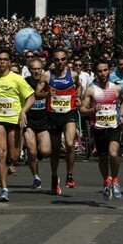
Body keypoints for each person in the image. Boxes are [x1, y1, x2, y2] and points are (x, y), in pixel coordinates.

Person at [0, 47, 35, 202]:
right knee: (0, 153)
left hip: (14, 120)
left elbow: (31, 98)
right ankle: (4, 189)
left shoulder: (17, 79)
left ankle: (13, 162)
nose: (2, 62)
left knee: (14, 156)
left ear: (9, 62)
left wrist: (23, 112)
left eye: (5, 59)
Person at [35, 48, 82, 195]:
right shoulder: (47, 76)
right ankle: (54, 176)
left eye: (62, 59)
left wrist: (78, 97)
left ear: (66, 60)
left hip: (69, 114)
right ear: (53, 61)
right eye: (57, 59)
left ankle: (69, 174)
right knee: (55, 150)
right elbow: (36, 94)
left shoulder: (73, 75)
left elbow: (79, 86)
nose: (60, 62)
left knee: (69, 143)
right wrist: (47, 93)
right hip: (53, 116)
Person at [80, 59, 123, 201]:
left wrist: (121, 115)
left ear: (109, 71)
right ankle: (107, 181)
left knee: (113, 154)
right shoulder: (91, 90)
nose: (103, 73)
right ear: (96, 73)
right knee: (102, 158)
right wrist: (93, 109)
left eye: (105, 70)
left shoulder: (116, 88)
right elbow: (82, 110)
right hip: (98, 127)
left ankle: (116, 181)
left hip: (113, 126)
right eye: (99, 71)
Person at [24, 57, 51, 189]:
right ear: (29, 70)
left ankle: (39, 153)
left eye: (39, 69)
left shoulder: (48, 83)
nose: (36, 71)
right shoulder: (24, 83)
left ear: (43, 69)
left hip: (43, 120)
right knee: (32, 151)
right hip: (29, 121)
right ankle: (36, 177)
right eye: (33, 69)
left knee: (45, 151)